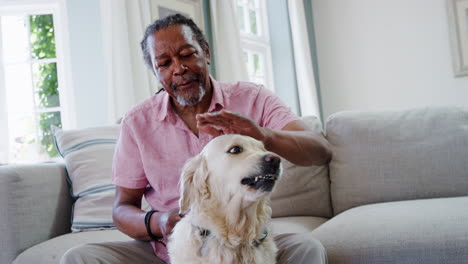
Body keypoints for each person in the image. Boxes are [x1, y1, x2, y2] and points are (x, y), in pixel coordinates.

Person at [60, 14, 331, 264]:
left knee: (305, 248)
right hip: (172, 250)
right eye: (164, 64)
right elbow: (122, 209)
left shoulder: (253, 98)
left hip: (249, 245)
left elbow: (320, 151)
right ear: (155, 72)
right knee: (81, 258)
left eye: (187, 54)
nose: (178, 69)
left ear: (206, 53)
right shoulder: (137, 123)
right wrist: (159, 222)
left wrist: (263, 135)